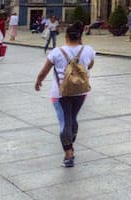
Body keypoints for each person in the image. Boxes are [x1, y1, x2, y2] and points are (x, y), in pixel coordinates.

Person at [34, 21, 95, 168]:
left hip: (60, 93)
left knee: (64, 122)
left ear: (66, 36)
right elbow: (90, 65)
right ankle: (70, 140)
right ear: (80, 36)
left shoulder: (57, 52)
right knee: (72, 117)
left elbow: (44, 70)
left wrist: (38, 81)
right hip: (81, 91)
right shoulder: (88, 50)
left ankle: (69, 155)